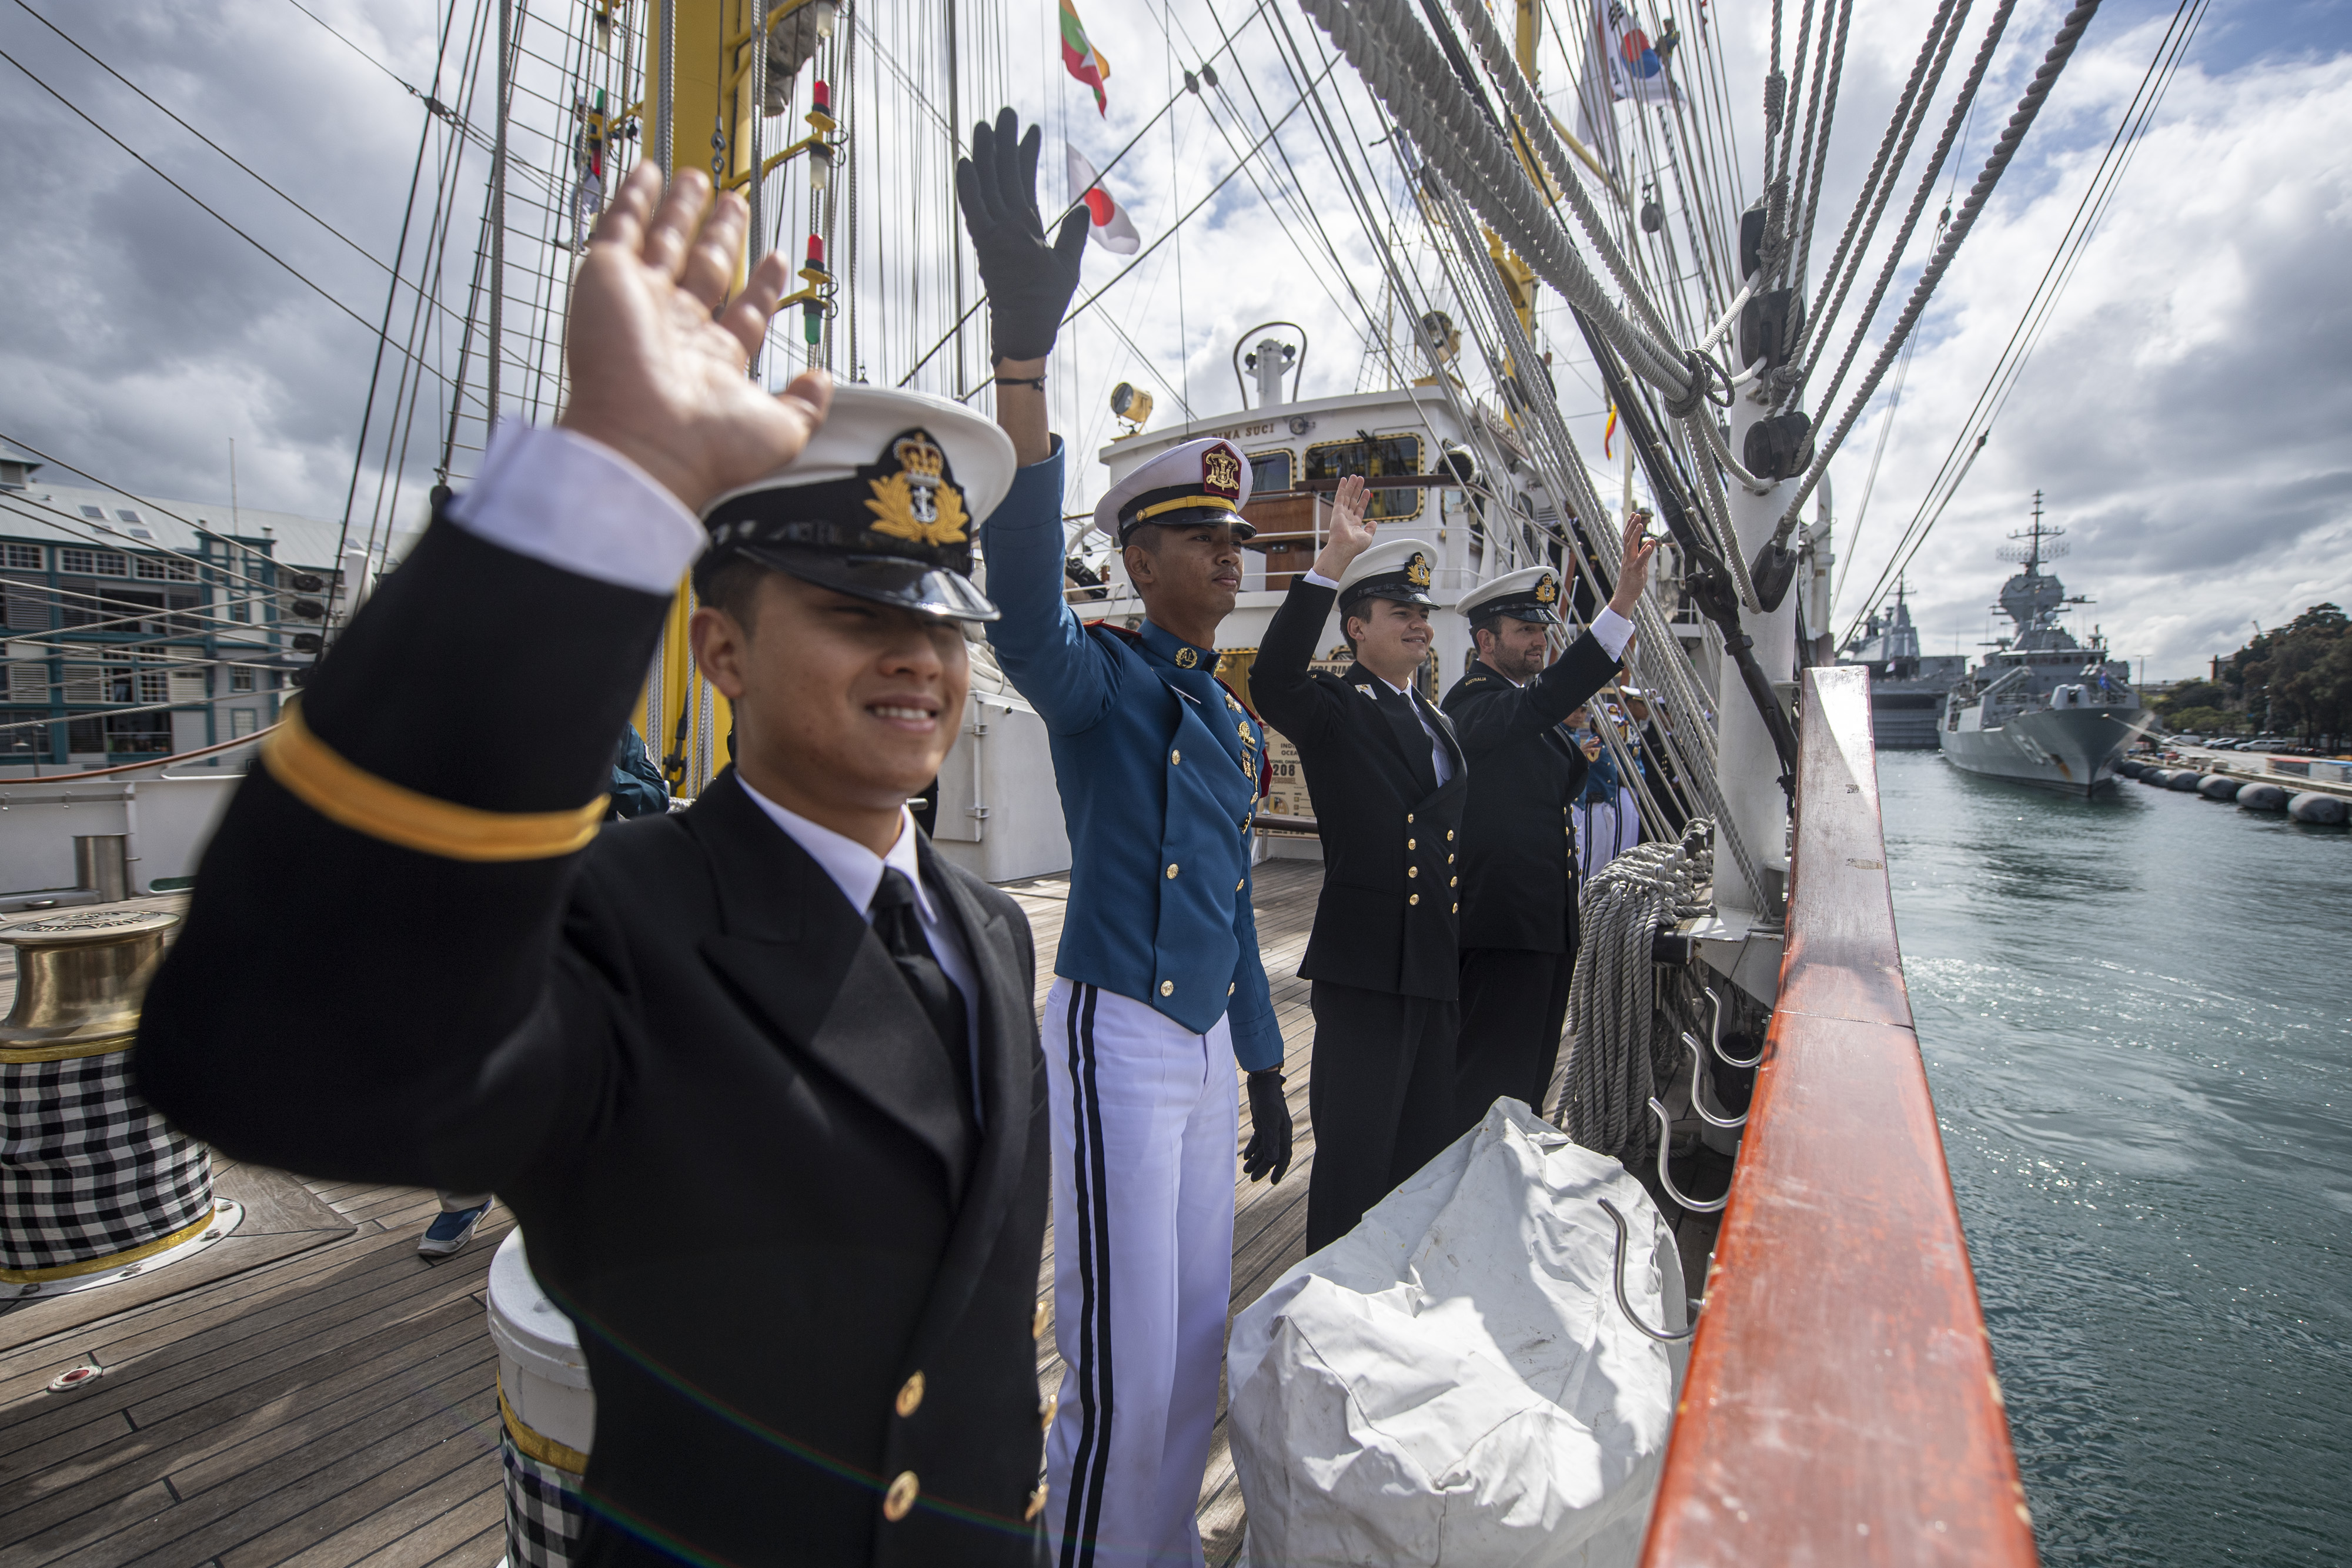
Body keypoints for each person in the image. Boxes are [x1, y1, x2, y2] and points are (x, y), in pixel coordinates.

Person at [136, 163, 1057, 1566]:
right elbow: (282, 1058)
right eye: (854, 609)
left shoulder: (987, 928)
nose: (918, 657)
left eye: (942, 620)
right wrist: (613, 480)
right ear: (722, 651)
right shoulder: (617, 925)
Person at [956, 106, 1291, 1568]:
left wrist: (1268, 1073)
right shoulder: (1105, 682)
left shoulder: (1222, 717)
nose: (1231, 555)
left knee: (1193, 1355)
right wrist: (1023, 364)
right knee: (1120, 1370)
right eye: (1199, 538)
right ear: (1139, 560)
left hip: (1206, 1048)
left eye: (1236, 542)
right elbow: (1021, 614)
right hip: (1113, 1040)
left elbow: (1224, 905)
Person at [1249, 483, 1469, 1250]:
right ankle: (1331, 1321)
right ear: (1356, 628)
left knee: (1421, 1159)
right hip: (1368, 970)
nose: (1419, 621)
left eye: (1423, 612)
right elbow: (1271, 680)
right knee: (1355, 1166)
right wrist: (1330, 559)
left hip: (1432, 972)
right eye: (1399, 611)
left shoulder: (1438, 721)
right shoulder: (1339, 711)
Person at [1442, 515, 1656, 1125]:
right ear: (1486, 642)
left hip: (1543, 928)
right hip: (1502, 929)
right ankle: (1470, 1199)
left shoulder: (1521, 715)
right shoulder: (1473, 704)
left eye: (1541, 628)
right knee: (1488, 1081)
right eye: (1523, 630)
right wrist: (1618, 607)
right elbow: (1540, 704)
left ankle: (1508, 1189)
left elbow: (1554, 763)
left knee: (1526, 1083)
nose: (1538, 640)